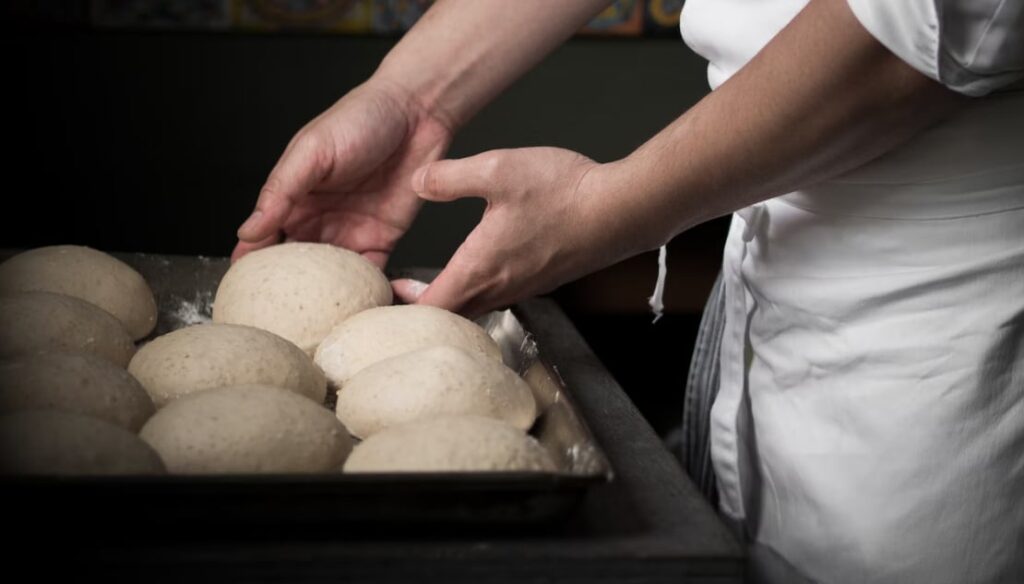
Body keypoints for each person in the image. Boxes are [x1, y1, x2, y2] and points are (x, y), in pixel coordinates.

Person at [233, 0, 1023, 581]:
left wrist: (607, 212)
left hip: (944, 324)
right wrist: (413, 100)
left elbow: (924, 29)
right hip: (768, 259)